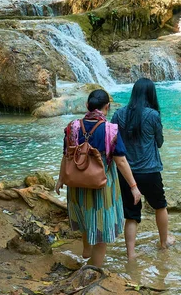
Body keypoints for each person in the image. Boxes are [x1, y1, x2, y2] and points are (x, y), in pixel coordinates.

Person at [55, 89, 141, 267]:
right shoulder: (110, 130)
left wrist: (60, 178)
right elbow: (121, 162)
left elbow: (66, 155)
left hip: (77, 182)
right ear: (107, 107)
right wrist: (133, 186)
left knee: (86, 216)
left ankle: (86, 252)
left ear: (87, 106)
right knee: (100, 227)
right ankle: (94, 271)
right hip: (101, 185)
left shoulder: (73, 127)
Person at [112, 78, 174, 261]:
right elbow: (160, 142)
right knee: (160, 206)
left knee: (131, 215)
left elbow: (114, 143)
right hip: (150, 172)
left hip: (127, 174)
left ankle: (131, 254)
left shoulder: (118, 114)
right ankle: (164, 243)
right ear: (150, 94)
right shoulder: (153, 115)